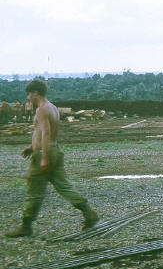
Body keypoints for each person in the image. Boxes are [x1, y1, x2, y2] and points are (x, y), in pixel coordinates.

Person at [5, 78, 99, 238]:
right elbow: (45, 132)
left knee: (34, 189)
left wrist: (44, 157)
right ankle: (89, 213)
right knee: (64, 185)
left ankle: (26, 226)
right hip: (54, 150)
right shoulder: (53, 107)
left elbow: (46, 133)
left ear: (35, 93)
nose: (28, 97)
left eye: (29, 94)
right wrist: (32, 147)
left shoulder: (41, 109)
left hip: (45, 152)